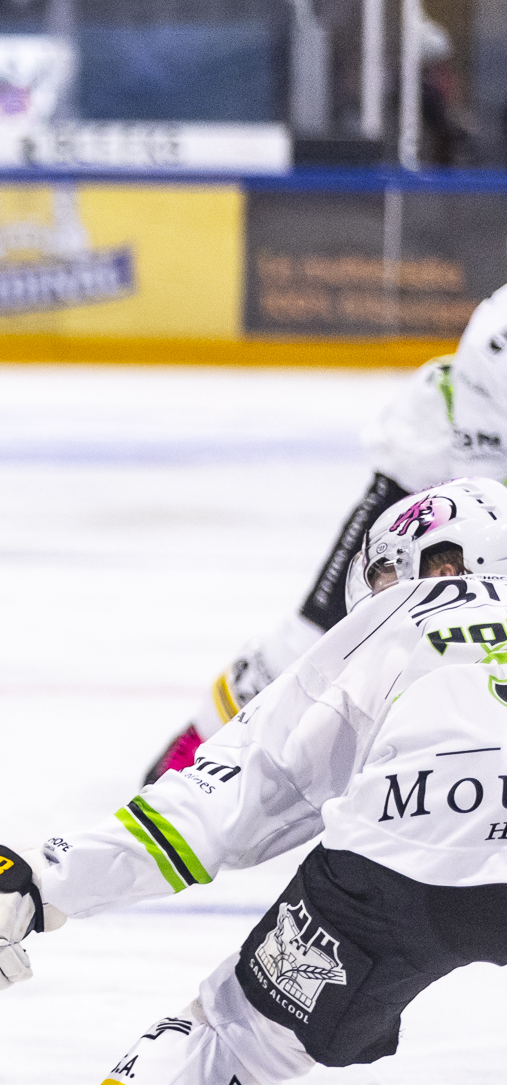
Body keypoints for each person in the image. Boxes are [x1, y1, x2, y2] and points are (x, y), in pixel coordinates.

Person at [0, 478, 507, 1085]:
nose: (382, 590)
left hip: (398, 869)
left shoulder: (382, 627)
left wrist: (39, 877)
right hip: (403, 855)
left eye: (387, 572)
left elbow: (235, 799)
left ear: (434, 566)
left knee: (235, 1038)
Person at [141, 282, 507, 780]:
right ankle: (187, 764)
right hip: (431, 485)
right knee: (314, 641)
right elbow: (479, 490)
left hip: (474, 484)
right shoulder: (494, 339)